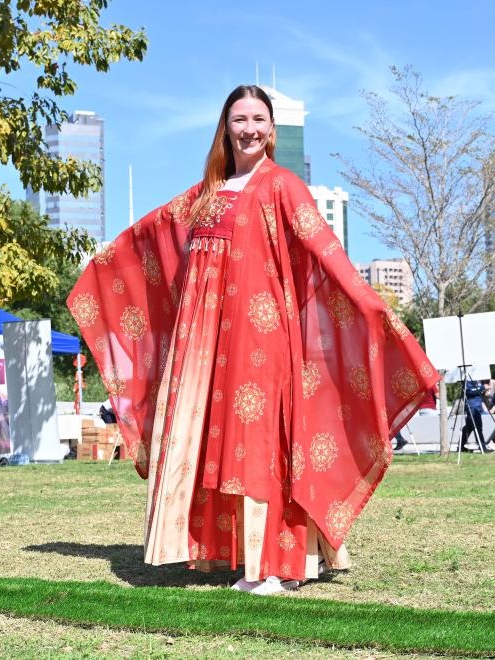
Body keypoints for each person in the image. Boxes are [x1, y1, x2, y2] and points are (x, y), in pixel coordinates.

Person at [67, 85, 439, 595]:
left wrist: (374, 307)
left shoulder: (283, 185)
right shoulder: (205, 194)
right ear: (225, 127)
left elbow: (325, 251)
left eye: (259, 119)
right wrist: (101, 267)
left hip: (263, 338)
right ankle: (237, 556)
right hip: (204, 345)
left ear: (272, 129)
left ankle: (277, 565)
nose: (249, 129)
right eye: (239, 119)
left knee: (261, 443)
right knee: (220, 443)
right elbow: (149, 239)